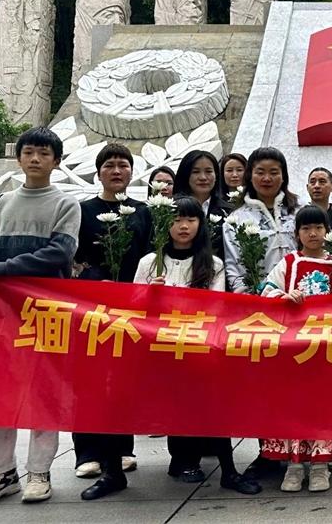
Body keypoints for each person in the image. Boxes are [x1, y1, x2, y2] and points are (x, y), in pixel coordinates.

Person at [0, 127, 81, 506]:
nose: (35, 159)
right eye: (29, 152)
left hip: (48, 313)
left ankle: (39, 472)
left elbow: (59, 254)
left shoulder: (66, 204)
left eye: (44, 154)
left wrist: (3, 266)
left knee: (44, 394)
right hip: (3, 315)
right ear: (18, 158)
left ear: (57, 161)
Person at [134, 197, 261, 495]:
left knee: (211, 406)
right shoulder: (149, 262)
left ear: (200, 225)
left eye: (190, 220)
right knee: (174, 406)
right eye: (177, 219)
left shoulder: (212, 264)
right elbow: (133, 303)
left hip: (200, 345)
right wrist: (150, 294)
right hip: (161, 346)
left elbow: (215, 306)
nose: (183, 226)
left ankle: (228, 469)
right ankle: (181, 460)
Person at [71, 143, 152, 494]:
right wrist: (95, 280)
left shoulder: (143, 212)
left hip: (133, 307)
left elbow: (151, 253)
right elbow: (75, 259)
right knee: (90, 380)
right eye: (110, 165)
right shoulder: (83, 210)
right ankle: (86, 453)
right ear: (98, 171)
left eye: (123, 165)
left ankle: (122, 449)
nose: (117, 171)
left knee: (125, 381)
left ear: (132, 172)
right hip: (94, 307)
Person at [259, 206, 332, 492]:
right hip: (294, 348)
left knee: (323, 405)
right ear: (297, 234)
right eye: (306, 229)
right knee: (293, 404)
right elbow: (266, 290)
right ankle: (294, 465)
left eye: (318, 227)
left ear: (327, 231)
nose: (313, 233)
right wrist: (285, 296)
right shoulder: (289, 263)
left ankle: (321, 464)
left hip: (327, 348)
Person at [224, 147, 299, 294]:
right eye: (260, 172)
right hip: (257, 301)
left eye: (274, 172)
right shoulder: (236, 219)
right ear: (250, 176)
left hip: (299, 297)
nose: (266, 178)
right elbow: (234, 266)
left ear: (283, 176)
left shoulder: (300, 210)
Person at [306, 167, 332, 232]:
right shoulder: (298, 215)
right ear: (307, 187)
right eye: (312, 182)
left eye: (322, 182)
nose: (316, 186)